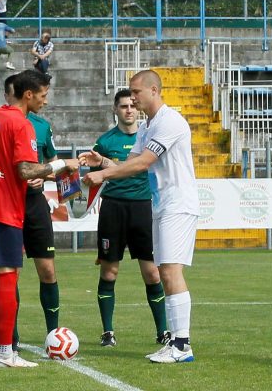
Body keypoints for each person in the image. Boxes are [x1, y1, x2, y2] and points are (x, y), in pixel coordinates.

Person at [0, 70, 78, 368]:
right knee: (7, 275)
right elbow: (25, 171)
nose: (45, 102)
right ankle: (5, 353)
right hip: (5, 208)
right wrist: (62, 164)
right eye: (44, 96)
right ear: (29, 94)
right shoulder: (22, 125)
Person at [81, 70, 199, 364]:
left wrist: (102, 175)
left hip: (177, 205)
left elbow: (144, 163)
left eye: (136, 92)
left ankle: (182, 344)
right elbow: (132, 161)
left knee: (169, 272)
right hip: (161, 206)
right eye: (130, 94)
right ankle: (175, 341)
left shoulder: (169, 122)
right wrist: (105, 162)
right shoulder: (149, 126)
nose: (132, 98)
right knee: (165, 271)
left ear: (154, 90)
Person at [0, 73, 62, 354]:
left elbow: (53, 162)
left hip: (34, 203)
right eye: (7, 95)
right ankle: (12, 339)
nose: (8, 99)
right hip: (7, 202)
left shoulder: (42, 126)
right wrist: (21, 175)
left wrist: (41, 176)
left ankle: (53, 336)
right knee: (11, 269)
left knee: (47, 269)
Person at [86, 89, 169, 350]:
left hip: (143, 208)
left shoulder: (148, 136)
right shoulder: (104, 141)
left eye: (132, 105)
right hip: (113, 209)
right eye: (123, 106)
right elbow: (94, 179)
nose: (129, 110)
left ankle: (162, 331)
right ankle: (108, 331)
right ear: (115, 110)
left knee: (153, 273)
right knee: (110, 271)